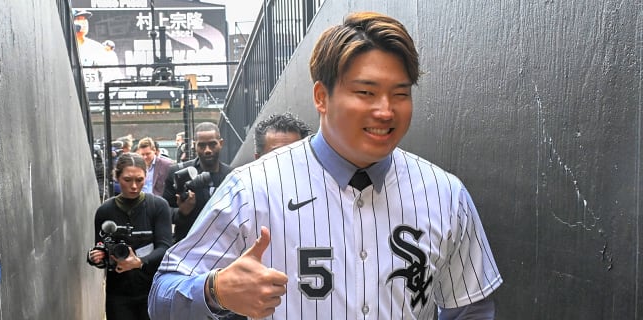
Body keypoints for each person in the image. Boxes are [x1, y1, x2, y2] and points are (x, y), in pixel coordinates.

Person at [149, 12, 502, 319]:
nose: (385, 110)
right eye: (365, 92)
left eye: (400, 93)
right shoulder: (253, 188)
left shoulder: (446, 194)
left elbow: (470, 307)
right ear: (321, 96)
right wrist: (216, 290)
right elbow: (162, 294)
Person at [87, 153, 173, 320]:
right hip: (118, 294)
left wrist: (140, 262)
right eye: (127, 180)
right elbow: (101, 248)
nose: (134, 186)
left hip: (151, 290)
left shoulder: (158, 206)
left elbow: (165, 247)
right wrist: (96, 256)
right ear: (117, 177)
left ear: (146, 177)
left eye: (139, 180)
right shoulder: (105, 211)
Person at [161, 122, 232, 242]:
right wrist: (182, 212)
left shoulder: (231, 175)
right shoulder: (178, 172)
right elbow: (164, 212)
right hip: (187, 245)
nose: (207, 150)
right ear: (194, 146)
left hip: (223, 244)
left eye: (212, 144)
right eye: (202, 145)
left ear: (221, 143)